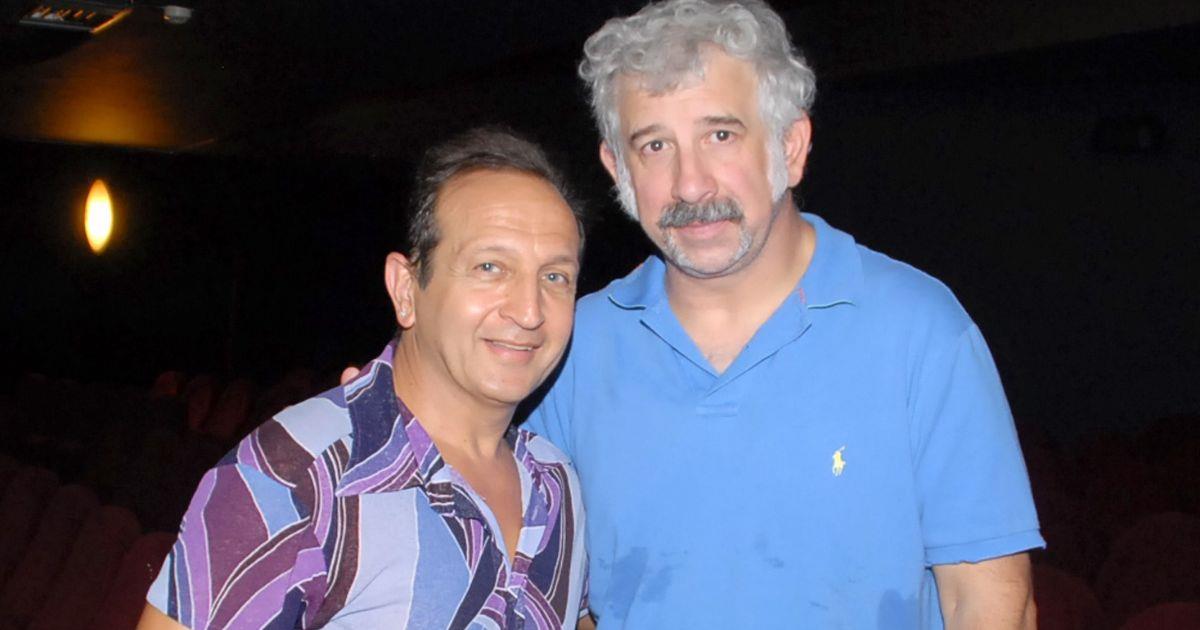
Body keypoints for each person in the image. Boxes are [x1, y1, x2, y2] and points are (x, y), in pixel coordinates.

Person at [522, 1, 1044, 628]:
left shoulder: (921, 331)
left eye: (721, 135)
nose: (690, 185)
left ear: (790, 147)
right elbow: (542, 594)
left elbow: (989, 604)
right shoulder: (570, 347)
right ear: (618, 169)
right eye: (655, 145)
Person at [138, 128, 590, 629]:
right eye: (490, 267)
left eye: (555, 277)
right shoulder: (297, 476)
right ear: (406, 290)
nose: (529, 311)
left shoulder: (556, 484)